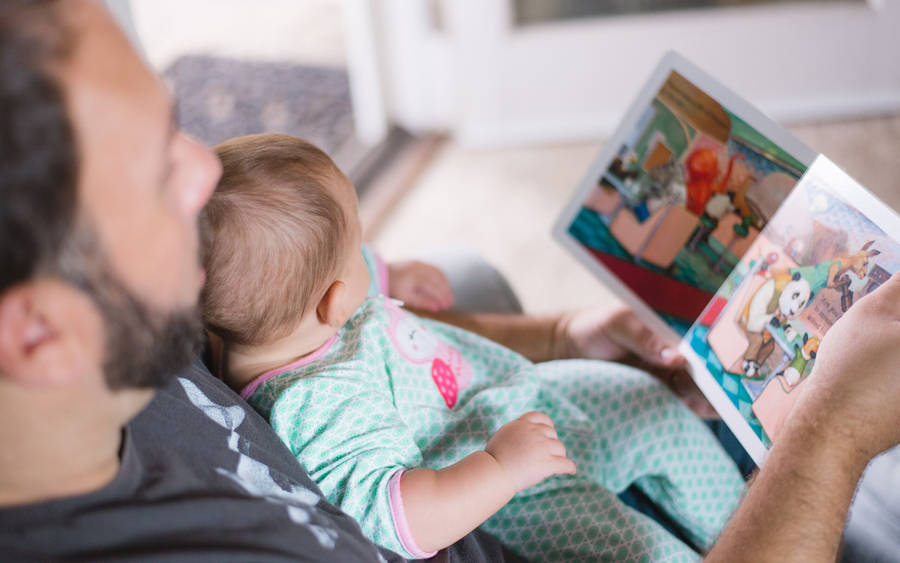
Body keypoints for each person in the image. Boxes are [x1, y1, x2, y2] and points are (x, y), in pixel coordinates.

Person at [1, 1, 898, 561]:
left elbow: (357, 326)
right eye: (156, 171)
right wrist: (831, 435)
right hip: (531, 501)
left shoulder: (151, 307)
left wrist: (554, 334)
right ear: (37, 333)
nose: (204, 170)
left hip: (511, 411)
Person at [200, 132, 745, 561]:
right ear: (334, 304)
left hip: (507, 395)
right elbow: (396, 518)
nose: (366, 252)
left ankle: (746, 524)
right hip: (515, 493)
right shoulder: (317, 405)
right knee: (641, 552)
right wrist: (500, 468)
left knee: (649, 403)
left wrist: (388, 273)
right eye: (358, 245)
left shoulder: (280, 319)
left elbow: (327, 273)